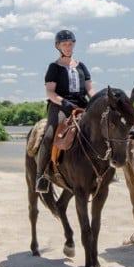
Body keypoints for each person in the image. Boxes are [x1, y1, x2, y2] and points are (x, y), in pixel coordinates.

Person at [33, 30, 94, 194]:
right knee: (49, 135)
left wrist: (96, 102)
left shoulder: (81, 66)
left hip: (81, 104)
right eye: (64, 44)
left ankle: (105, 169)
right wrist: (64, 103)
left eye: (70, 43)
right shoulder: (54, 67)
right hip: (59, 106)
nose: (68, 46)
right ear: (58, 46)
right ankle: (41, 176)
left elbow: (90, 89)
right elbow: (50, 93)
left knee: (100, 129)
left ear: (74, 44)